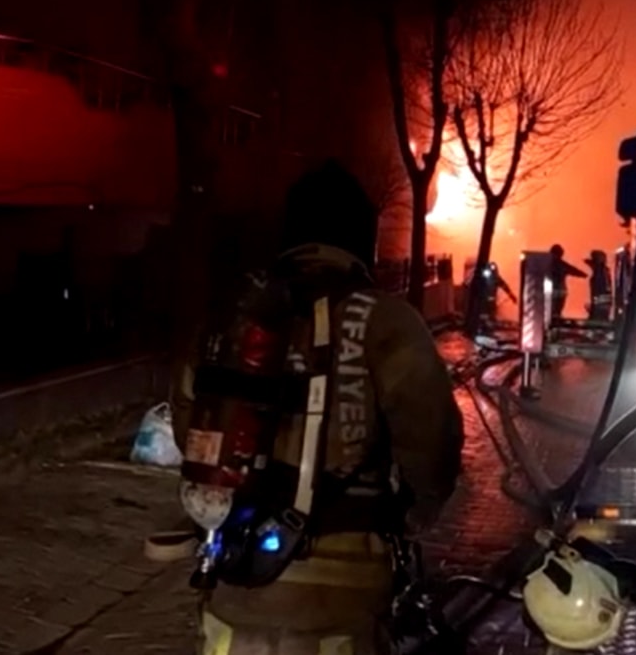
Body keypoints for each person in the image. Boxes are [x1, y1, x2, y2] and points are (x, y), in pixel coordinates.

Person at [170, 160, 465, 655]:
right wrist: (419, 510)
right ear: (363, 238)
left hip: (235, 585)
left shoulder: (232, 321)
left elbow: (189, 426)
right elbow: (432, 439)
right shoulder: (386, 320)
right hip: (341, 597)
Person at [546, 244, 587, 321]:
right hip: (560, 290)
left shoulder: (547, 265)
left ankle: (554, 318)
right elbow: (575, 271)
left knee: (553, 309)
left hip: (553, 290)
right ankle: (556, 318)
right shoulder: (562, 265)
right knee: (557, 310)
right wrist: (583, 275)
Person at [585, 250, 613, 322]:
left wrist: (594, 307)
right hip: (602, 303)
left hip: (600, 304)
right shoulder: (604, 271)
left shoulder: (600, 272)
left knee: (597, 322)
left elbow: (600, 289)